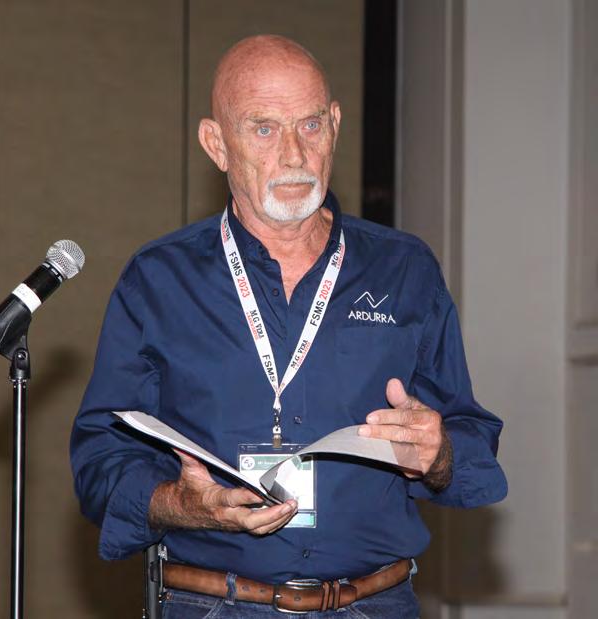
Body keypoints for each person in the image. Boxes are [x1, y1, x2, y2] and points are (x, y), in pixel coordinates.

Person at [70, 35, 507, 618]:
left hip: (374, 605)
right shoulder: (159, 280)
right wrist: (183, 504)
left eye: (310, 125)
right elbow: (100, 462)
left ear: (335, 126)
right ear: (217, 144)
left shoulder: (405, 269)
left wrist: (439, 451)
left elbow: (470, 437)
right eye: (264, 129)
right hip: (215, 605)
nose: (295, 154)